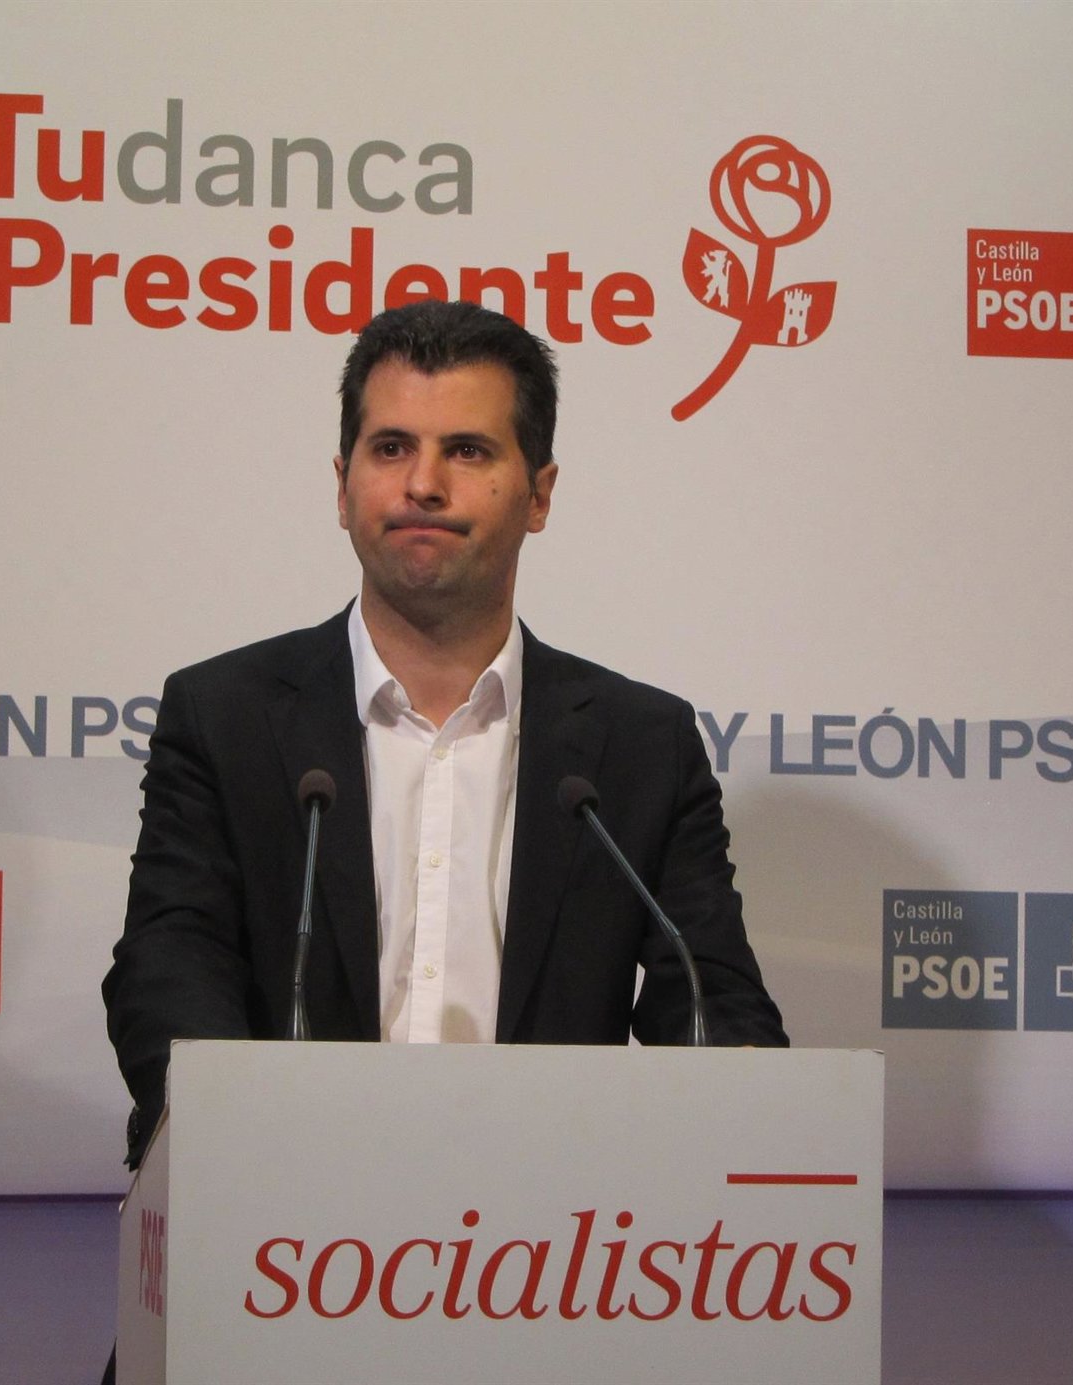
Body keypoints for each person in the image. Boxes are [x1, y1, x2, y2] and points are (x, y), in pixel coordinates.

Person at [102, 299, 787, 1170]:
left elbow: (708, 998)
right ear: (342, 483)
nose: (422, 484)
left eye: (467, 451)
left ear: (539, 494)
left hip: (553, 1215)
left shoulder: (640, 744)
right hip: (286, 1201)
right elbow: (169, 964)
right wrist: (236, 1135)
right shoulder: (223, 715)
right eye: (391, 448)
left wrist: (748, 1099)